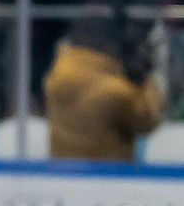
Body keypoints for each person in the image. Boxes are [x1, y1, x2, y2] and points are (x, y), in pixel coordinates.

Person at [43, 15, 161, 162]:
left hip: (61, 174)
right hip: (107, 177)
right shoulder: (115, 91)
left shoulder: (58, 73)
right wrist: (143, 80)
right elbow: (147, 122)